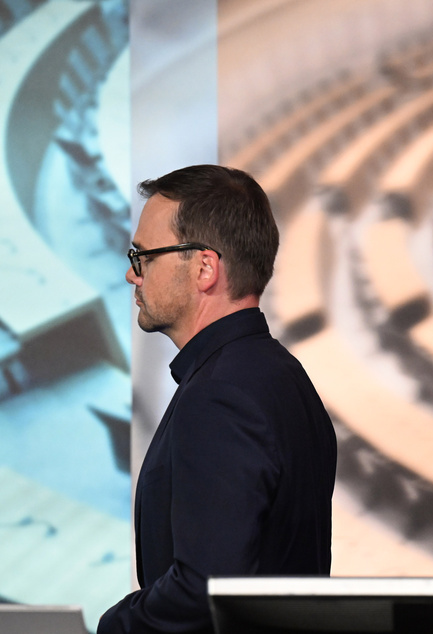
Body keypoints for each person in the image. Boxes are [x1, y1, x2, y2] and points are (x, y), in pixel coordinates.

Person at [99, 165, 337, 633]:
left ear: (205, 268)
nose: (132, 274)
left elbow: (204, 590)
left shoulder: (221, 394)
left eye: (143, 256)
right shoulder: (277, 374)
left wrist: (113, 625)